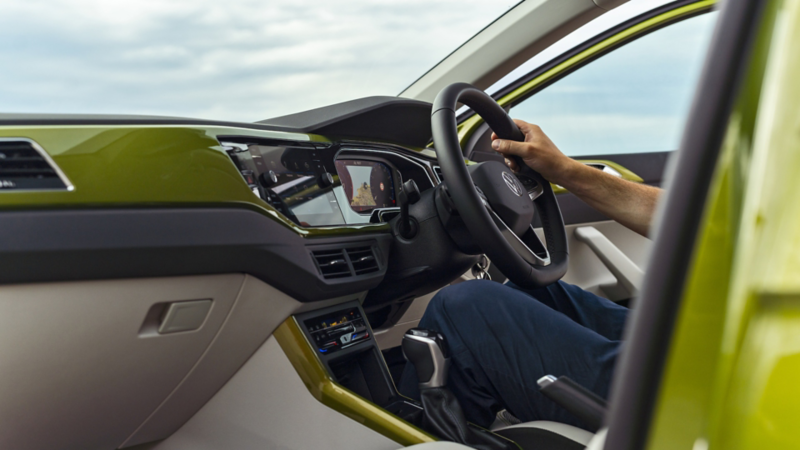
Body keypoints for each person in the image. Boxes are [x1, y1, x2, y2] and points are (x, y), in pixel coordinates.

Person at [398, 119, 662, 430]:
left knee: (460, 308)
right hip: (700, 345)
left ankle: (404, 434)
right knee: (538, 290)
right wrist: (563, 168)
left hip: (693, 390)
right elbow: (699, 219)